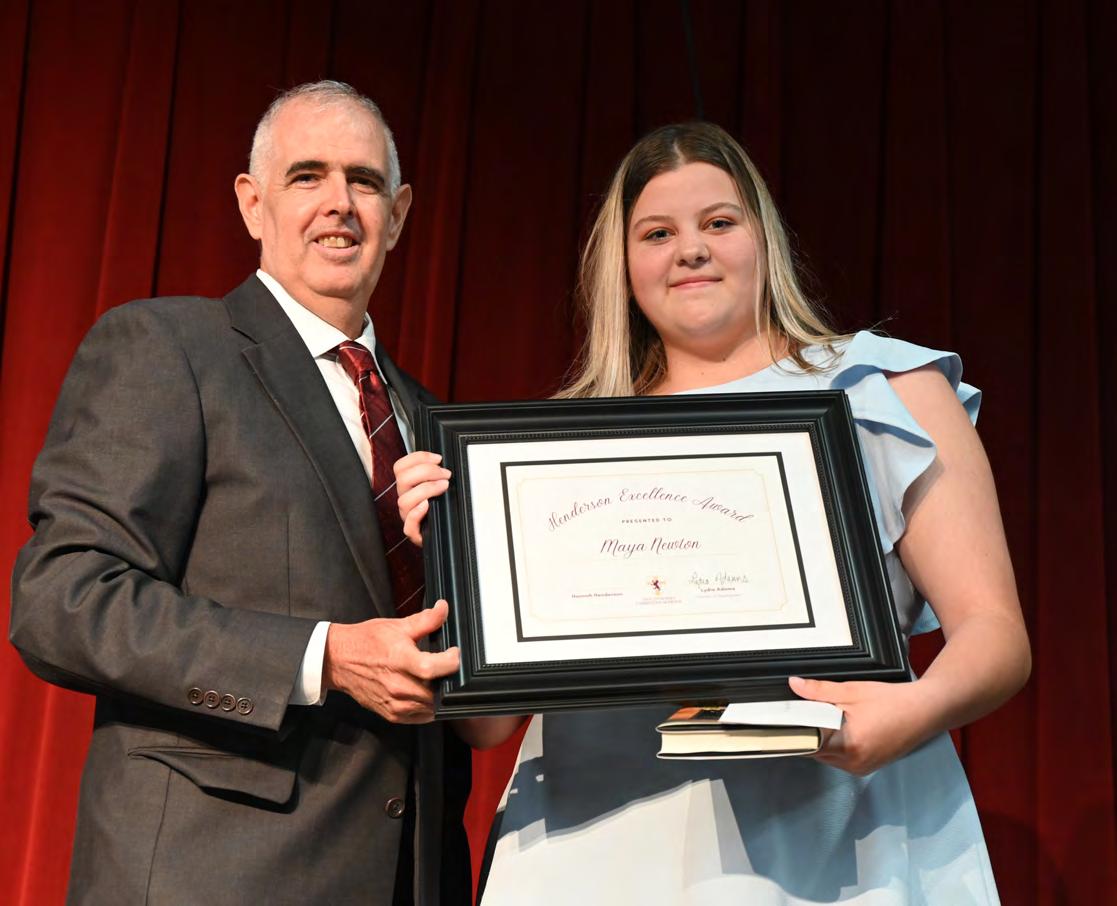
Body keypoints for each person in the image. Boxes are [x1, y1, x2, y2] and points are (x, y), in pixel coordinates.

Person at [395, 122, 1031, 903]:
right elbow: (488, 726)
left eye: (718, 222)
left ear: (763, 239)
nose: (690, 250)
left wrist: (912, 712)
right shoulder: (552, 453)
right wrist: (449, 551)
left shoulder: (881, 388)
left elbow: (995, 635)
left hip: (838, 832)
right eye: (657, 233)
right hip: (596, 844)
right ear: (623, 266)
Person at [10, 81, 471, 905]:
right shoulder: (171, 347)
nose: (339, 203)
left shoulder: (437, 426)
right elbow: (64, 600)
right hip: (210, 876)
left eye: (365, 181)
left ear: (398, 215)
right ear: (253, 204)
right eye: (307, 176)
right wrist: (323, 658)